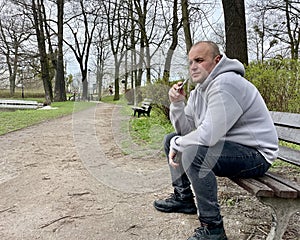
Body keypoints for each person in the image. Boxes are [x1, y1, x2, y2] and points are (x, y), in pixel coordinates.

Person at [153, 41, 278, 240]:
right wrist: (177, 104)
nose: (193, 66)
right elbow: (185, 130)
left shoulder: (227, 83)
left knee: (194, 153)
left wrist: (180, 144)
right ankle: (184, 198)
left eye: (200, 60)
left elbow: (208, 135)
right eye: (190, 62)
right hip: (229, 148)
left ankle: (213, 228)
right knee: (171, 138)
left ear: (217, 60)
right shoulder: (199, 90)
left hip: (256, 154)